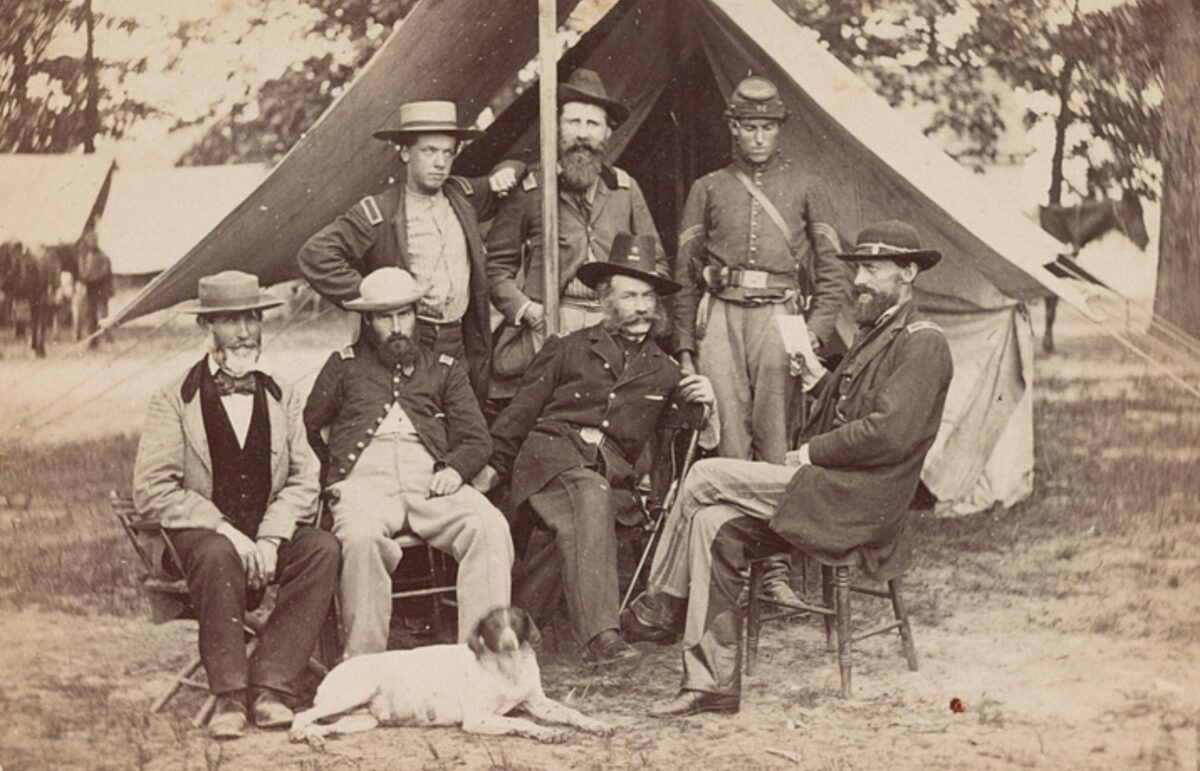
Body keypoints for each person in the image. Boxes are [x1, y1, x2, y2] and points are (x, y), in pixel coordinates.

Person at [624, 220, 954, 717]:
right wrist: (821, 383)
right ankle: (711, 684)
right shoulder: (876, 335)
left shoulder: (922, 342)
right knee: (713, 523)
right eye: (858, 268)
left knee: (704, 477)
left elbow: (889, 432)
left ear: (908, 272)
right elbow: (859, 413)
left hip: (858, 501)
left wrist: (812, 453)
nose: (859, 280)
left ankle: (661, 604)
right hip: (834, 490)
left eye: (872, 268)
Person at [488, 233, 717, 667]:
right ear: (606, 299)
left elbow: (682, 442)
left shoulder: (666, 371)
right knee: (592, 497)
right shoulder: (567, 347)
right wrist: (491, 470)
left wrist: (704, 401)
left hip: (608, 477)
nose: (642, 307)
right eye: (630, 296)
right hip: (549, 461)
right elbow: (520, 413)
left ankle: (518, 623)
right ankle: (602, 639)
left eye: (648, 296)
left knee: (588, 512)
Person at [132, 270, 340, 740]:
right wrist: (225, 529)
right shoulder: (172, 399)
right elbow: (152, 488)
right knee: (216, 553)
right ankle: (228, 695)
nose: (244, 332)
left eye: (251, 318)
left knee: (322, 548)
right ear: (206, 330)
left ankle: (272, 684)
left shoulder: (282, 394)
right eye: (229, 321)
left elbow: (307, 476)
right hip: (204, 538)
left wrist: (270, 537)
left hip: (266, 532)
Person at [671, 75, 851, 603]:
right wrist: (685, 348)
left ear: (779, 131)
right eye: (748, 127)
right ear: (732, 128)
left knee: (776, 441)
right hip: (721, 319)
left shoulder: (807, 186)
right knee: (725, 439)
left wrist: (813, 336)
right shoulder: (708, 188)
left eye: (767, 128)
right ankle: (731, 567)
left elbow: (832, 271)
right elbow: (685, 275)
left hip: (780, 319)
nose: (757, 138)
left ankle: (774, 569)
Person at [304, 267, 513, 660]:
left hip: (430, 478)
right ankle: (361, 667)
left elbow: (475, 436)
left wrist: (454, 469)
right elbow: (308, 430)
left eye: (404, 314)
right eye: (385, 317)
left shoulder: (445, 369)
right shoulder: (343, 366)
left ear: (417, 314)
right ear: (368, 321)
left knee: (489, 526)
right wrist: (332, 480)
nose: (397, 326)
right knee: (361, 539)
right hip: (363, 482)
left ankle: (483, 663)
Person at [298, 100, 522, 399]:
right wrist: (374, 295)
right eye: (429, 151)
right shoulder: (378, 211)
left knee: (461, 424)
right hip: (408, 338)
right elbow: (315, 255)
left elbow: (520, 163)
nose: (441, 162)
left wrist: (507, 170)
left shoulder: (464, 195)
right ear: (405, 152)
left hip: (459, 341)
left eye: (448, 152)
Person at [485, 69, 666, 403]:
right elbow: (495, 267)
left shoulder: (625, 189)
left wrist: (633, 307)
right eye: (574, 122)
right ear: (557, 128)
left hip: (614, 323)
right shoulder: (531, 188)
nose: (582, 134)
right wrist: (526, 310)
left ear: (608, 134)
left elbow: (657, 265)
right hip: (549, 323)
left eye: (593, 124)